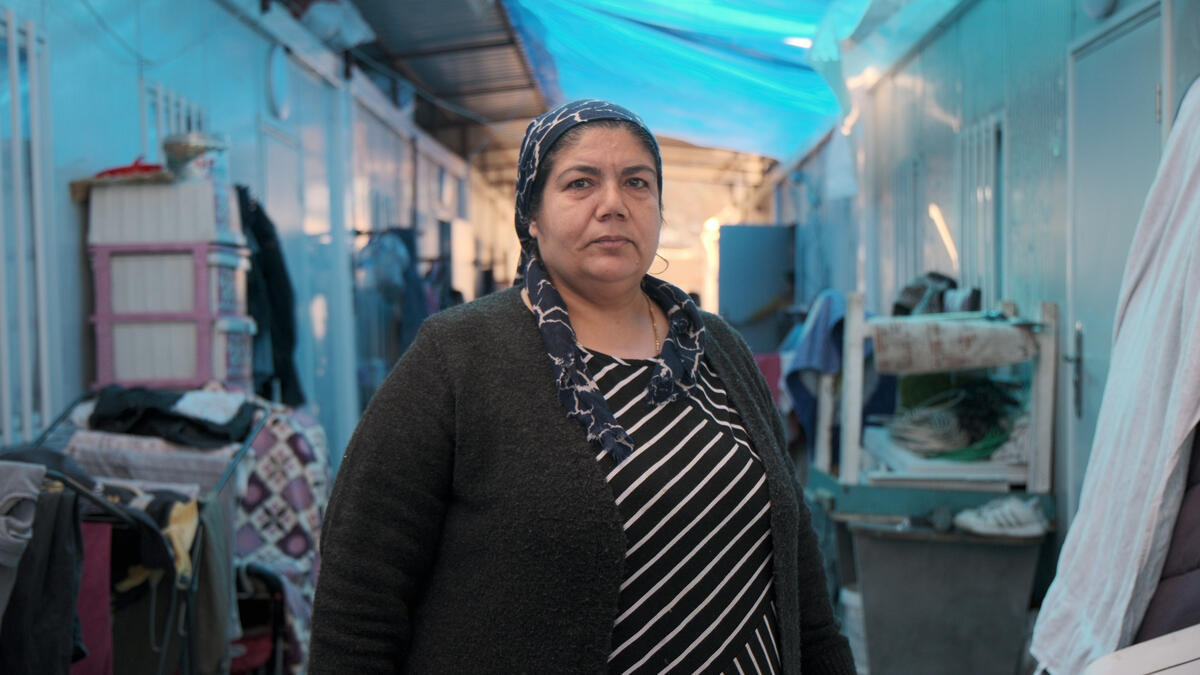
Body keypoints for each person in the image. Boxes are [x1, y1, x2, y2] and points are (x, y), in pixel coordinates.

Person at [308, 99, 854, 674]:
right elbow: (359, 596)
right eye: (580, 183)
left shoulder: (716, 346)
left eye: (637, 183)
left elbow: (801, 582)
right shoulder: (459, 355)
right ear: (532, 215)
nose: (613, 204)